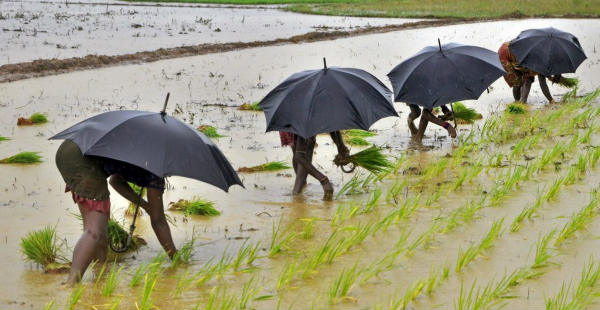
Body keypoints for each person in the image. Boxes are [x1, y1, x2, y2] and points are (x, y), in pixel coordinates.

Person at [55, 140, 176, 285]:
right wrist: (176, 259)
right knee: (94, 231)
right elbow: (159, 221)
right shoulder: (156, 171)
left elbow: (115, 181)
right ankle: (71, 283)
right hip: (83, 161)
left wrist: (144, 205)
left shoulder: (145, 149)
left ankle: (100, 275)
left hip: (70, 149)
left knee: (100, 228)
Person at [280, 131, 349, 200]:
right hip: (300, 126)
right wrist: (324, 180)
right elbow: (299, 156)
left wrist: (341, 147)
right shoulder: (305, 127)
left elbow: (333, 127)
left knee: (298, 147)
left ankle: (301, 186)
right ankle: (296, 194)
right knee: (306, 147)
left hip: (293, 126)